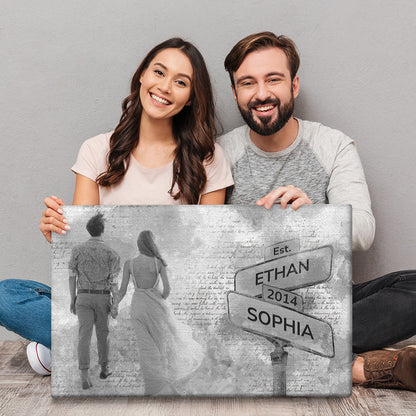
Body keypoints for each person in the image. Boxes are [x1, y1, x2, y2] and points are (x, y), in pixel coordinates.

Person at [0, 37, 233, 375]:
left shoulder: (208, 158)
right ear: (142, 75)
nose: (165, 87)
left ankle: (77, 348)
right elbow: (81, 251)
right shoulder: (96, 150)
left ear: (190, 99)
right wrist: (58, 234)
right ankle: (114, 349)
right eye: (159, 72)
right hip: (100, 300)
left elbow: (208, 256)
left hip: (168, 306)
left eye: (181, 82)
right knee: (7, 295)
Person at [217, 32, 416, 392]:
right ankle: (354, 366)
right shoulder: (219, 153)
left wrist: (314, 217)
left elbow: (364, 231)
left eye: (273, 79)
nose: (261, 93)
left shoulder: (333, 145)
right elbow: (201, 242)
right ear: (235, 93)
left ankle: (287, 350)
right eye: (248, 83)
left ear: (294, 85)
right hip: (249, 303)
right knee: (220, 317)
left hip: (326, 300)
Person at [113, 230, 204, 395]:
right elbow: (167, 290)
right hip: (155, 308)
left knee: (145, 348)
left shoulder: (129, 264)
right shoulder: (158, 263)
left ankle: (153, 388)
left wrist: (114, 306)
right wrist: (158, 298)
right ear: (151, 244)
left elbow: (122, 291)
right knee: (161, 346)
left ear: (139, 245)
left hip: (138, 307)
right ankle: (164, 386)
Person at [68, 212, 120, 389]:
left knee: (84, 336)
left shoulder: (77, 250)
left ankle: (84, 375)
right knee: (103, 335)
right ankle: (104, 369)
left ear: (88, 230)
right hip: (102, 297)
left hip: (82, 296)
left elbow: (72, 277)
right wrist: (115, 304)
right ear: (102, 231)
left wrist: (72, 298)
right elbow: (113, 282)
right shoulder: (111, 253)